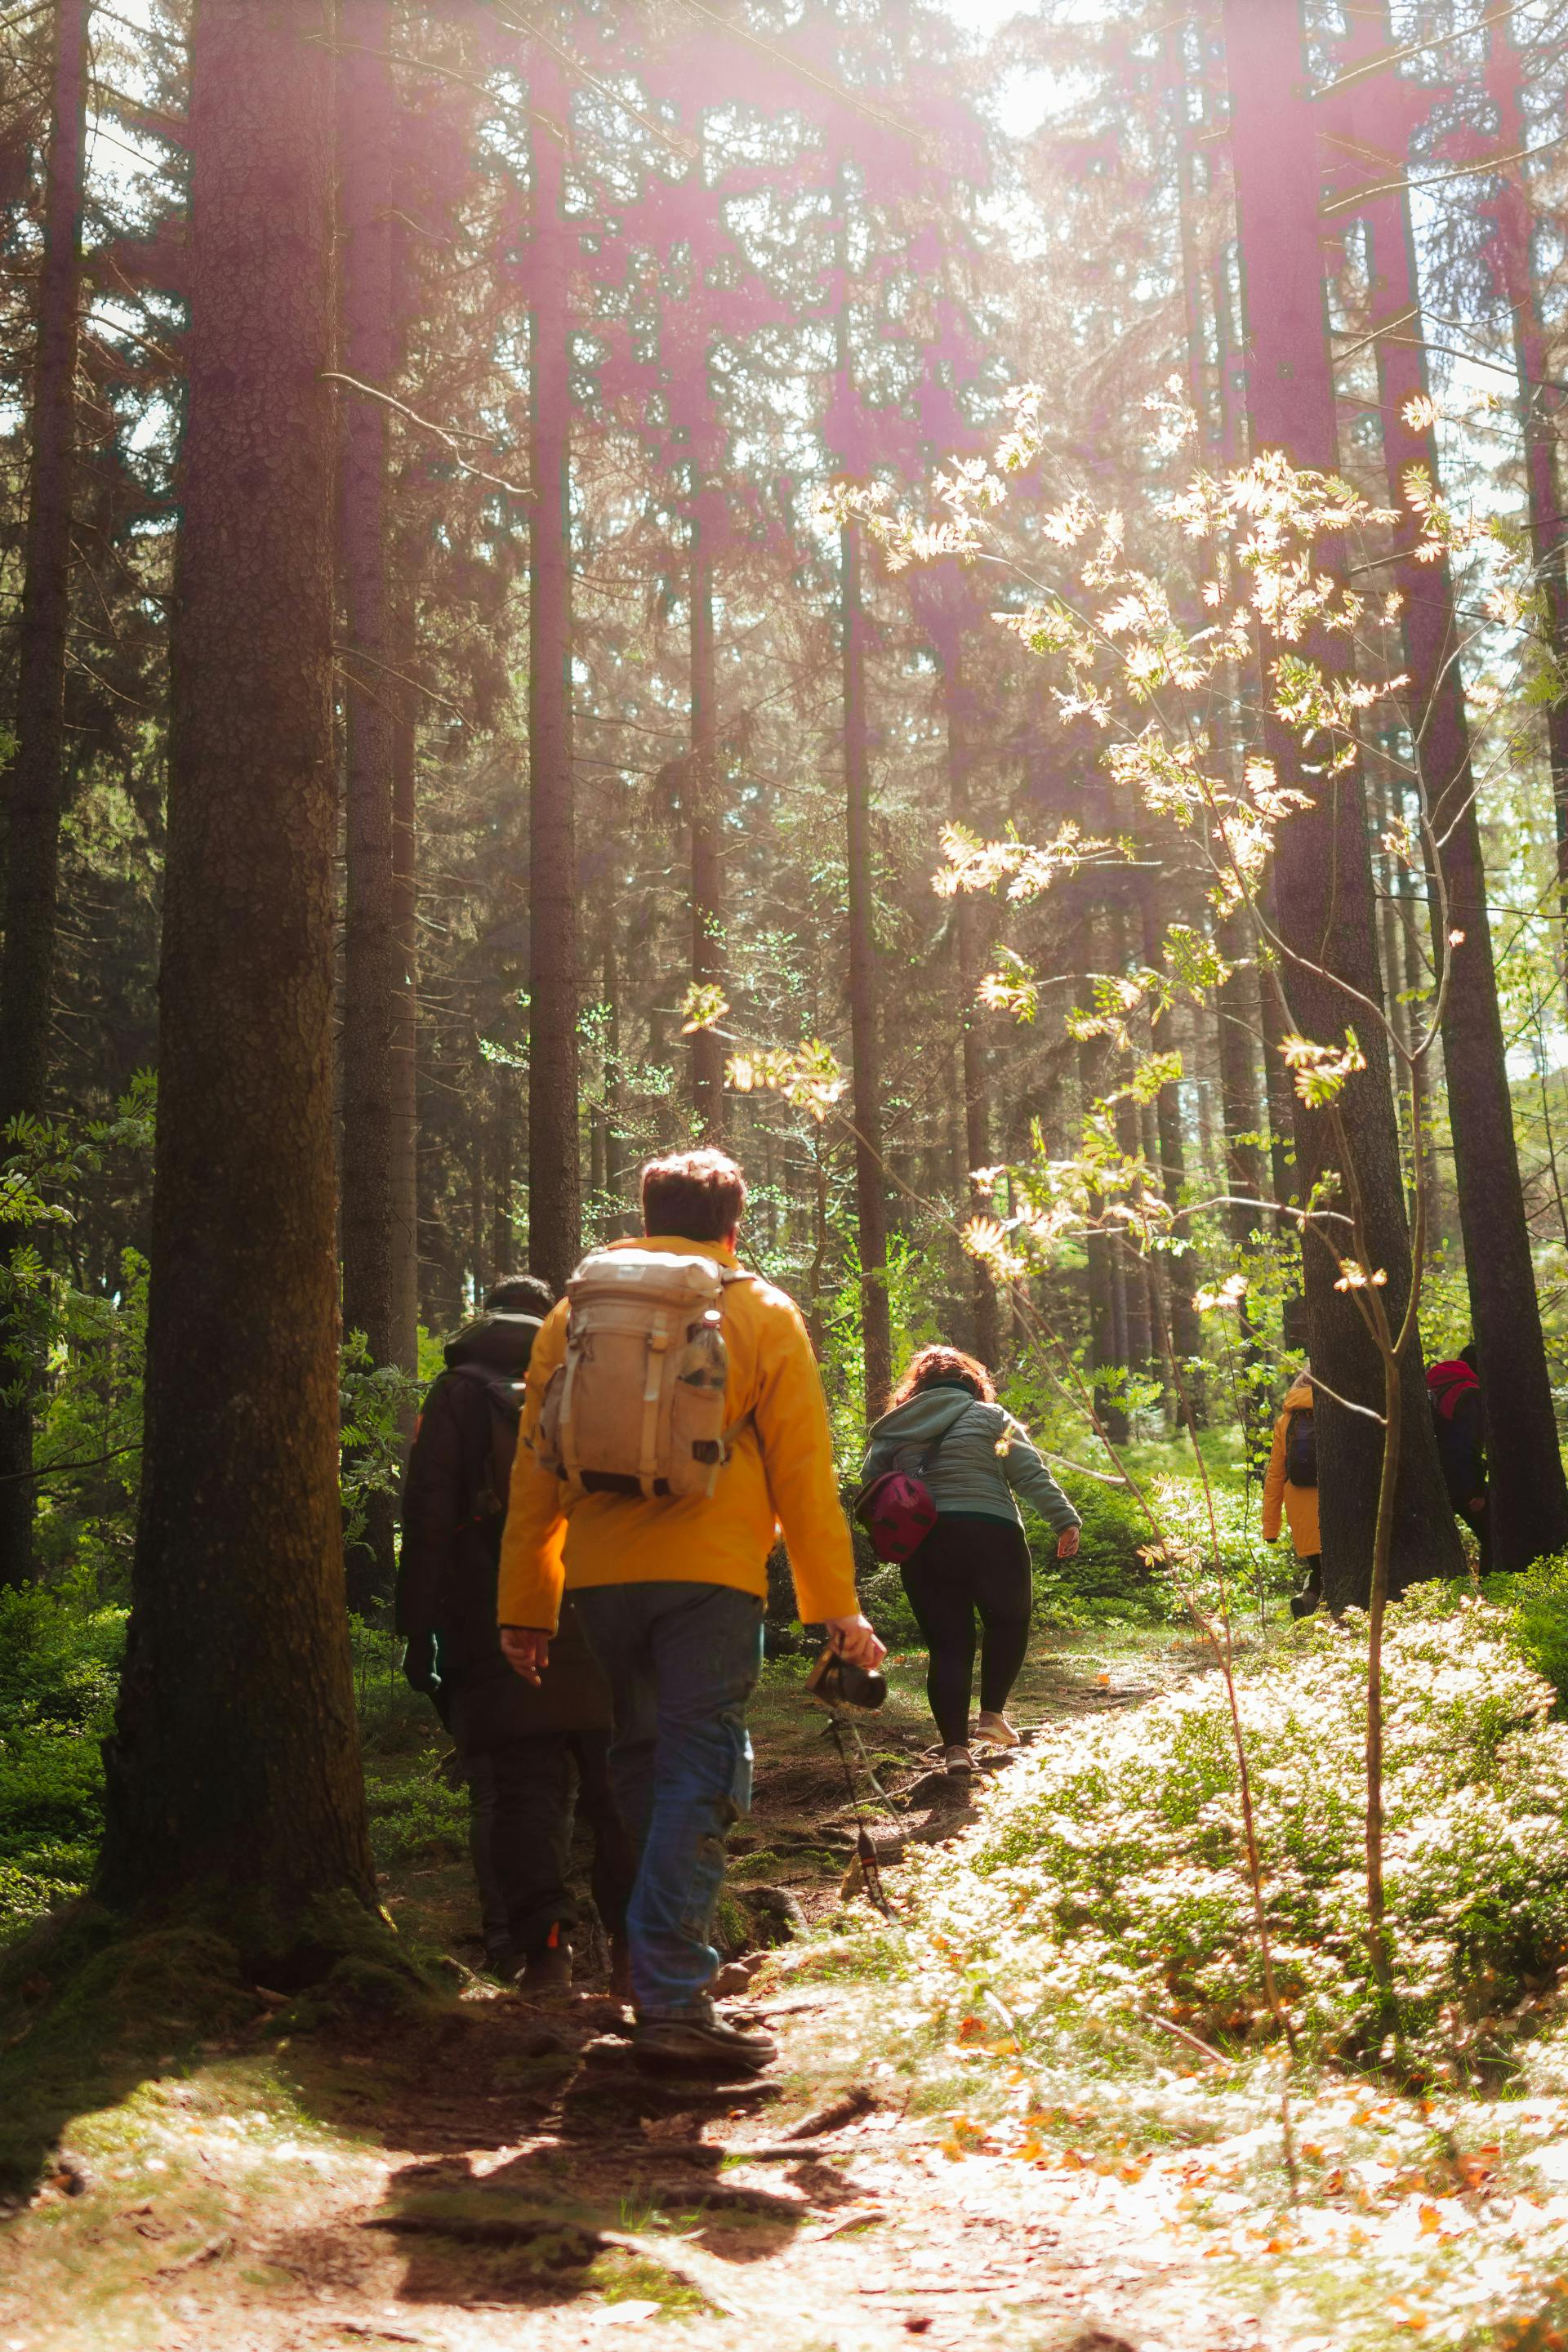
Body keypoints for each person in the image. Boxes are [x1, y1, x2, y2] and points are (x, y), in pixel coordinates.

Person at [497, 1148, 884, 2078]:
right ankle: (673, 1995)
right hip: (711, 1578)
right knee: (701, 1766)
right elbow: (802, 1475)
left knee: (642, 1758)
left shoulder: (574, 1313)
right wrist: (835, 1609)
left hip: (597, 1578)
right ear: (733, 1223)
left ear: (644, 1211)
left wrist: (527, 1606)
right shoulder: (759, 1309)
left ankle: (654, 1971)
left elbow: (534, 1468)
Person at [397, 1275, 636, 1995]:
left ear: (485, 1318)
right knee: (616, 1786)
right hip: (601, 1603)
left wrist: (418, 1630)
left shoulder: (459, 1392)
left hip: (494, 1611)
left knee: (524, 1789)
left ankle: (546, 1952)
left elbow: (430, 1514)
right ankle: (636, 1951)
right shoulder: (595, 1377)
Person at [862, 1344, 1081, 1775]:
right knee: (1008, 1621)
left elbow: (872, 1484)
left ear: (918, 1386)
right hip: (991, 1531)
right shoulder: (992, 1417)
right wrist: (1064, 1521)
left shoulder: (897, 1427)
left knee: (948, 1647)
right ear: (972, 1382)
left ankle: (955, 1750)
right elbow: (1028, 1472)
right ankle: (992, 1716)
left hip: (925, 1540)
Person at [1262, 1364, 1321, 1618]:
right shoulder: (1339, 1414)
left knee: (1319, 1568)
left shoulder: (1285, 1422)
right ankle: (1317, 1606)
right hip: (1340, 1506)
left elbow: (1275, 1477)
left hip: (1301, 1508)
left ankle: (1308, 1600)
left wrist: (1270, 1527)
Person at [1428, 1342, 1490, 1570]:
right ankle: (1493, 1595)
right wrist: (1478, 1490)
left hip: (1435, 1475)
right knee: (1494, 1533)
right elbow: (1467, 1445)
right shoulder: (1470, 1393)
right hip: (1461, 1481)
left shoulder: (1439, 1387)